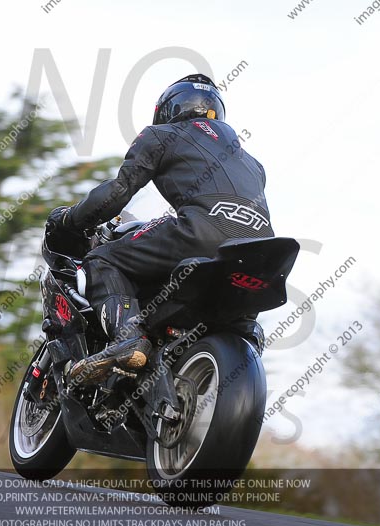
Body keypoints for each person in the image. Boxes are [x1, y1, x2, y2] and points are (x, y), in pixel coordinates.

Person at [46, 73, 274, 385]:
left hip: (201, 232)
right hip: (264, 253)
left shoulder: (161, 135)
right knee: (239, 315)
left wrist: (70, 219)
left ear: (169, 109)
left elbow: (117, 193)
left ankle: (127, 338)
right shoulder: (252, 162)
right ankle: (245, 334)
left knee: (102, 259)